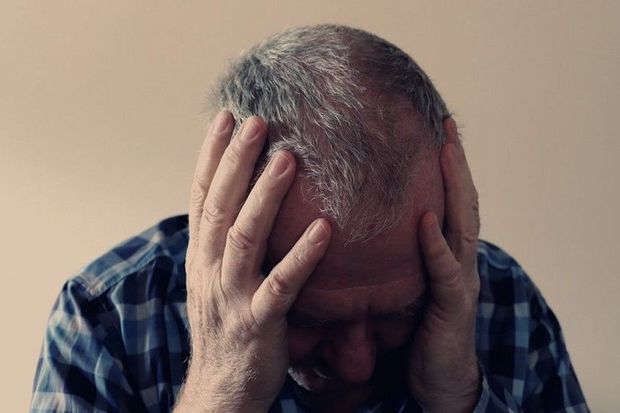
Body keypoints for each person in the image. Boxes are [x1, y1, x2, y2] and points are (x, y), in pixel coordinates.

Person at [31, 25, 589, 412]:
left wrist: (459, 397)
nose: (357, 364)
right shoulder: (105, 316)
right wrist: (222, 391)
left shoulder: (504, 301)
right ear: (228, 223)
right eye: (308, 318)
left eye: (400, 312)